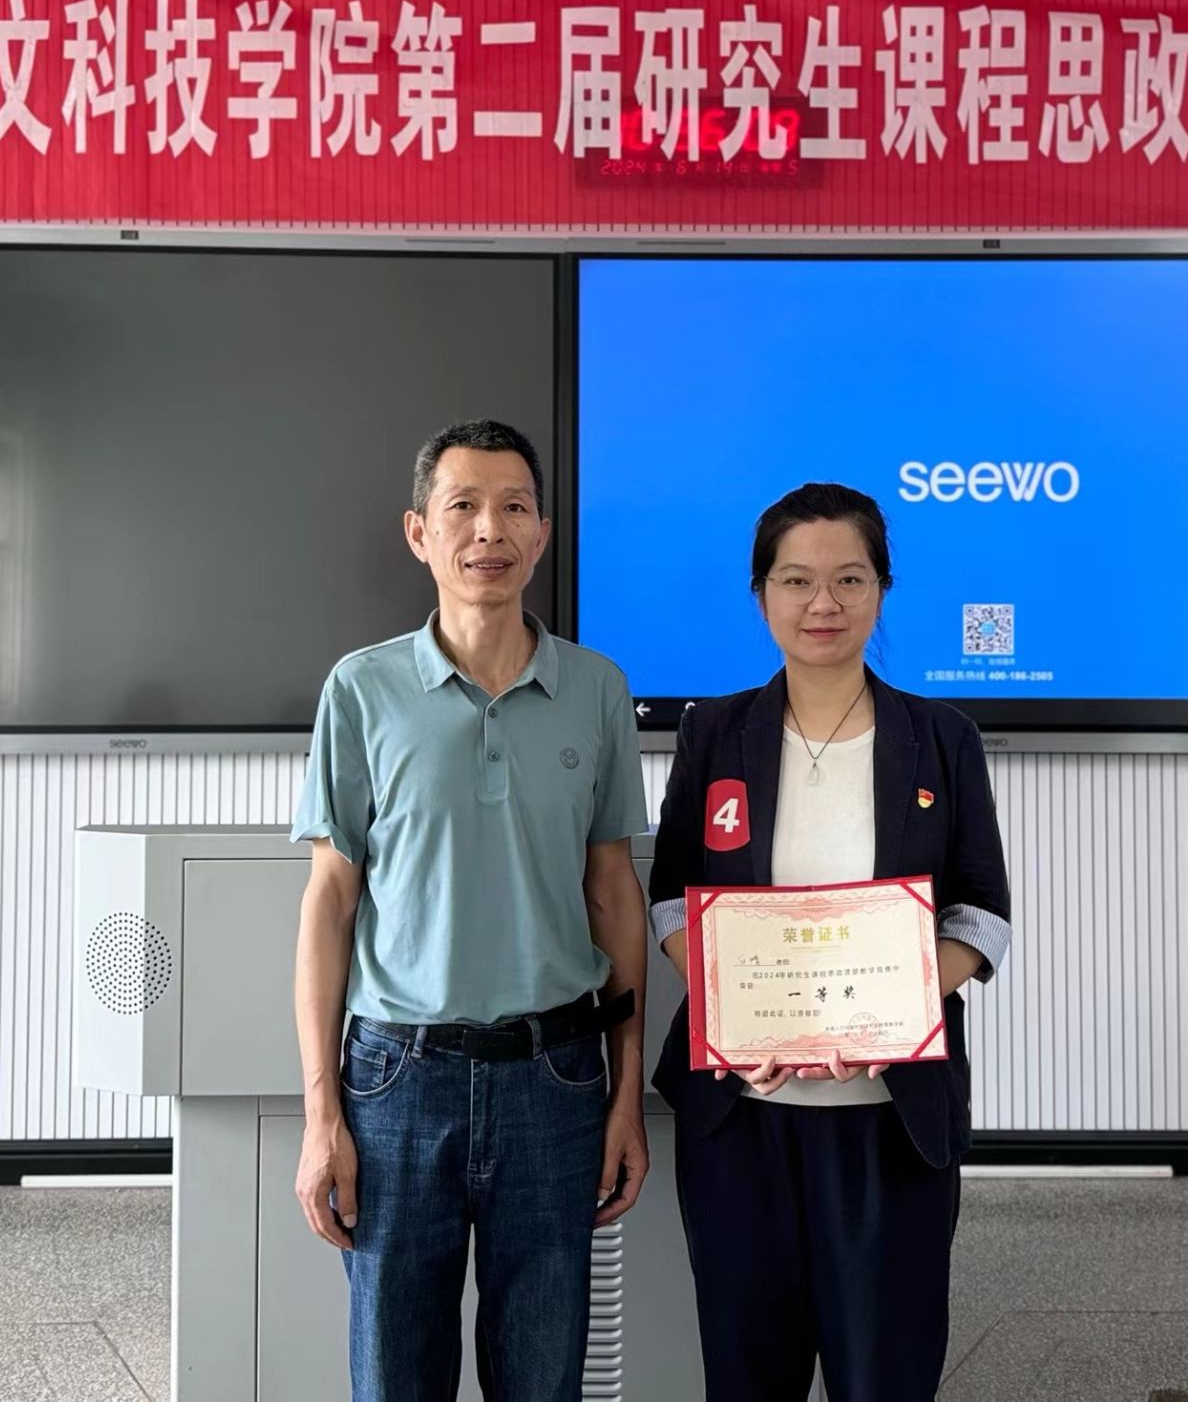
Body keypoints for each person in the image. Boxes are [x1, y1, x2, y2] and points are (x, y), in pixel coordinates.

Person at [290, 418, 652, 1402]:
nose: (489, 529)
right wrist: (321, 1114)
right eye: (463, 506)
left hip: (557, 1077)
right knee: (394, 1375)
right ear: (420, 532)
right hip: (394, 1081)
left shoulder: (596, 688)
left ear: (541, 534)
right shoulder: (361, 689)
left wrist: (625, 1096)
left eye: (513, 507)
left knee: (543, 1375)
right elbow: (329, 902)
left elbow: (613, 892)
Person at [649, 481, 1012, 1402]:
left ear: (882, 588)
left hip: (892, 1118)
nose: (823, 602)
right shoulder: (712, 732)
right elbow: (671, 903)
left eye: (850, 578)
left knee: (885, 1375)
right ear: (761, 592)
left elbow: (981, 914)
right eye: (796, 579)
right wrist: (739, 1016)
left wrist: (887, 1011)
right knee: (748, 1374)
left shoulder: (942, 738)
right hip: (741, 1117)